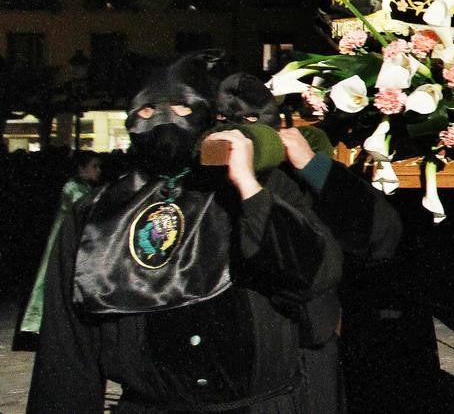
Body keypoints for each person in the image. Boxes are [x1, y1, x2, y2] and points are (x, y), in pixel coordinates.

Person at [27, 52, 342, 412]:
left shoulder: (262, 189)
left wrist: (248, 188)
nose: (165, 122)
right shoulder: (97, 213)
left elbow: (314, 274)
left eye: (182, 108)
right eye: (147, 111)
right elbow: (67, 349)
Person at [216, 72, 404, 412]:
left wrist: (313, 167)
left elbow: (381, 235)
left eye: (248, 120)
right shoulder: (196, 180)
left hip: (302, 352)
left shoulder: (296, 171)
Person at [16, 150, 103, 345]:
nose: (98, 171)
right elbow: (85, 210)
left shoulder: (83, 187)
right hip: (65, 241)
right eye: (94, 167)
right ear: (81, 168)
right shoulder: (74, 188)